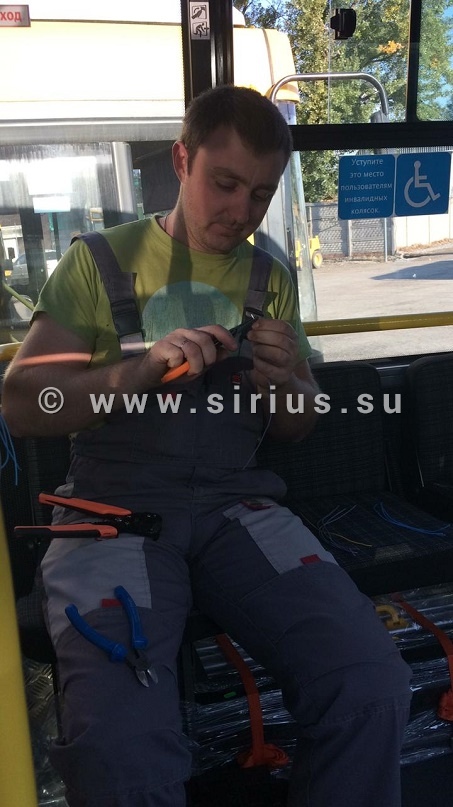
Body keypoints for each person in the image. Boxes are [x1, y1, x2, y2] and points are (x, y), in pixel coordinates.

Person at [3, 85, 411, 807]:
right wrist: (140, 369)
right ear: (181, 161)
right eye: (224, 184)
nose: (241, 211)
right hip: (113, 512)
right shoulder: (98, 263)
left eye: (260, 194)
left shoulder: (268, 276)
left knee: (369, 680)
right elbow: (24, 405)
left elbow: (299, 423)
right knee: (121, 747)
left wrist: (286, 382)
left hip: (236, 507)